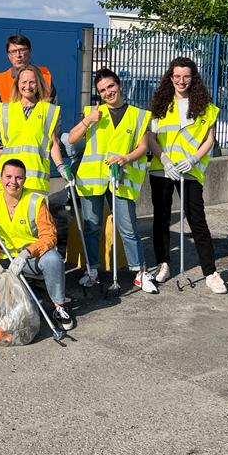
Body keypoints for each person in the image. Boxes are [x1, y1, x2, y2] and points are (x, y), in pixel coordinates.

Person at [66, 68, 157, 293]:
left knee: (128, 227)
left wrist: (125, 158)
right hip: (92, 179)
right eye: (102, 90)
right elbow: (71, 139)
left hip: (121, 177)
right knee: (92, 226)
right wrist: (88, 120)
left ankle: (140, 272)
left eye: (111, 86)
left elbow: (143, 148)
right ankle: (92, 271)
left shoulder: (138, 115)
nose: (108, 92)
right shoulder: (93, 113)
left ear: (119, 85)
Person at [147, 56, 228, 294]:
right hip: (163, 169)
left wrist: (192, 159)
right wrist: (163, 159)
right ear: (170, 78)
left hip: (189, 170)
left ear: (193, 78)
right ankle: (163, 263)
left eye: (186, 76)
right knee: (161, 219)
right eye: (177, 76)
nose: (181, 81)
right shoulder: (160, 104)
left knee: (197, 220)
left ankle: (211, 273)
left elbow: (209, 140)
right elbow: (150, 137)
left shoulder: (206, 107)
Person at [0, 158, 74, 331]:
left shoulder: (35, 201)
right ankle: (5, 299)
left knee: (53, 260)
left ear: (24, 179)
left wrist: (26, 254)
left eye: (19, 178)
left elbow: (49, 237)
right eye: (8, 176)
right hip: (4, 258)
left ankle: (59, 307)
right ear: (1, 178)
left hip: (30, 259)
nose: (13, 182)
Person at [0, 64, 69, 197]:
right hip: (10, 182)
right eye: (24, 82)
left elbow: (53, 144)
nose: (27, 86)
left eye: (32, 82)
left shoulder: (48, 111)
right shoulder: (6, 110)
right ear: (17, 84)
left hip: (36, 183)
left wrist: (62, 168)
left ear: (39, 84)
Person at [0, 34, 57, 136]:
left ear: (30, 52)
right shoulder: (0, 81)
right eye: (13, 51)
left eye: (22, 50)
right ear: (8, 55)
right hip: (10, 144)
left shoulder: (45, 77)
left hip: (40, 143)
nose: (18, 55)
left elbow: (55, 114)